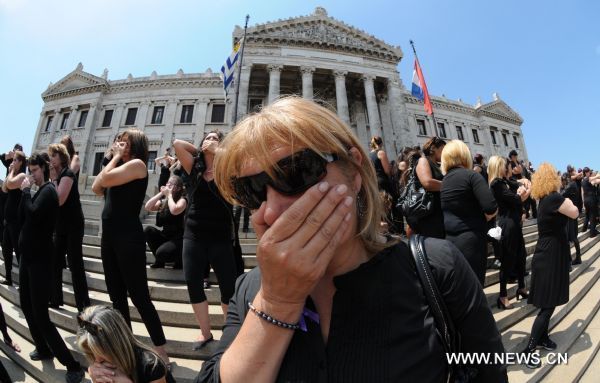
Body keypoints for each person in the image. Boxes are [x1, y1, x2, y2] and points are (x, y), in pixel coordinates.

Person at [197, 97, 507, 382]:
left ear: (354, 170)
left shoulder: (439, 267)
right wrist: (277, 303)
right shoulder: (249, 290)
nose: (273, 210)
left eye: (296, 172)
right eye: (251, 191)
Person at [92, 129, 170, 364]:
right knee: (116, 296)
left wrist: (113, 158)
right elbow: (97, 187)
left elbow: (104, 180)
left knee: (139, 297)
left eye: (123, 142)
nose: (117, 144)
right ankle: (127, 348)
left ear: (134, 145)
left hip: (129, 238)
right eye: (117, 141)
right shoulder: (115, 168)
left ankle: (162, 353)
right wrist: (112, 159)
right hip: (110, 237)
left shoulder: (137, 165)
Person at [18, 152, 85, 383]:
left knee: (41, 315)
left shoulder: (48, 192)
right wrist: (24, 194)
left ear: (44, 169)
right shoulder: (37, 192)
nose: (32, 175)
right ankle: (43, 348)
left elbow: (34, 213)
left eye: (35, 170)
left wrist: (26, 192)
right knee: (26, 306)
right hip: (27, 259)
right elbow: (24, 215)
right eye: (31, 170)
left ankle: (72, 364)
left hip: (40, 262)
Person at [173, 131, 238, 350]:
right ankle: (205, 333)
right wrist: (201, 149)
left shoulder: (228, 170)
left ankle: (230, 333)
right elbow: (178, 143)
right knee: (193, 284)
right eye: (206, 138)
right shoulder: (194, 168)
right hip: (193, 234)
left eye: (215, 138)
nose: (209, 140)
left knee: (228, 288)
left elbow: (240, 158)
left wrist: (218, 151)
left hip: (220, 237)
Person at [523, 163, 579, 368]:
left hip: (547, 252)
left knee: (550, 301)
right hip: (551, 254)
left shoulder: (543, 200)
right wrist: (570, 197)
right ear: (552, 179)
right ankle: (529, 349)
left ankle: (543, 338)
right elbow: (574, 212)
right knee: (547, 306)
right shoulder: (555, 198)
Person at [440, 140, 497, 284]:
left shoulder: (444, 181)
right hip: (472, 240)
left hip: (450, 242)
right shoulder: (471, 176)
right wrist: (482, 218)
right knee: (475, 286)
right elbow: (491, 207)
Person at [78, 305, 175, 383]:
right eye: (91, 351)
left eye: (102, 351)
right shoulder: (101, 364)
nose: (97, 360)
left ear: (117, 344)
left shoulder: (151, 366)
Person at [48, 143, 90, 312]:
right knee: (55, 261)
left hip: (73, 224)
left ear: (62, 157)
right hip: (61, 225)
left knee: (75, 264)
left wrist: (53, 179)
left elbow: (59, 200)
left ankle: (84, 305)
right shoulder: (57, 176)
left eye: (54, 155)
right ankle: (55, 298)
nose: (51, 159)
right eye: (50, 155)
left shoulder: (68, 173)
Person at [488, 156, 530, 310]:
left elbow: (520, 184)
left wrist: (523, 183)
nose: (508, 168)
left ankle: (521, 287)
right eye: (505, 165)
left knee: (521, 256)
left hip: (515, 223)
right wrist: (521, 193)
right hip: (507, 224)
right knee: (507, 260)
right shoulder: (496, 184)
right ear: (499, 166)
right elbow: (515, 199)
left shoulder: (505, 182)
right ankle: (503, 295)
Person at [144, 175, 187, 269]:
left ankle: (179, 261)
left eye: (171, 184)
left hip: (179, 238)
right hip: (166, 235)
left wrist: (169, 195)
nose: (168, 186)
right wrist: (161, 193)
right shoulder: (164, 201)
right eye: (168, 183)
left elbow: (174, 210)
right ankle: (159, 262)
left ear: (179, 188)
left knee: (162, 253)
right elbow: (147, 207)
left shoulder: (182, 200)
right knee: (148, 230)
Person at [407, 136, 446, 238]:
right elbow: (427, 182)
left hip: (436, 212)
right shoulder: (423, 161)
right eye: (443, 149)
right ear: (433, 148)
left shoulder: (437, 164)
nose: (445, 153)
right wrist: (450, 185)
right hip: (427, 214)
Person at [1, 150, 27, 286]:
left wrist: (10, 173)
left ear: (21, 162)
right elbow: (5, 189)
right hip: (8, 219)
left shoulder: (22, 175)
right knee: (6, 249)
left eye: (15, 160)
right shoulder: (12, 174)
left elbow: (10, 185)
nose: (12, 162)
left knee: (18, 251)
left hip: (16, 221)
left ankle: (24, 282)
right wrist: (10, 172)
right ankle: (8, 277)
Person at [561, 172, 582, 265]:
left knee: (569, 237)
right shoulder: (572, 185)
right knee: (573, 237)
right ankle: (578, 257)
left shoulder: (570, 185)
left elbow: (561, 195)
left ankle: (569, 262)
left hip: (569, 215)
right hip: (572, 213)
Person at [581, 167, 598, 237]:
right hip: (591, 200)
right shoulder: (588, 179)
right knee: (592, 216)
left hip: (586, 200)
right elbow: (597, 180)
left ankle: (584, 228)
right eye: (589, 172)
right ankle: (592, 233)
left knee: (587, 215)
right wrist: (597, 176)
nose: (590, 173)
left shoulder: (583, 181)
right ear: (586, 173)